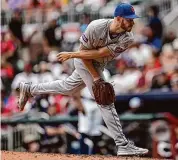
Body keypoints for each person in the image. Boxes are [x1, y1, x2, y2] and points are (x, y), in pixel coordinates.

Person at [17, 3, 148, 156]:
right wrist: (96, 77)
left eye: (133, 19)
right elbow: (85, 55)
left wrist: (72, 54)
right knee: (106, 103)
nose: (132, 22)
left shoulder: (128, 38)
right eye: (129, 19)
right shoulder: (96, 27)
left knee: (67, 87)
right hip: (83, 60)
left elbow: (99, 52)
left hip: (93, 60)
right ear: (118, 18)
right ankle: (122, 144)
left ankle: (29, 89)